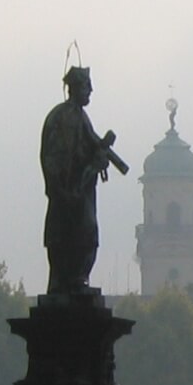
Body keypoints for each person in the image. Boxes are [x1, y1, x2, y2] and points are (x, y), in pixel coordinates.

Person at [39, 65, 118, 296]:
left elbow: (86, 149)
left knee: (86, 233)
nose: (90, 91)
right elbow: (55, 155)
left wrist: (97, 161)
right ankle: (64, 281)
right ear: (75, 88)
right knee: (65, 235)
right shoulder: (60, 117)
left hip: (80, 190)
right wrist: (61, 187)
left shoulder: (82, 118)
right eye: (87, 86)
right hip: (66, 190)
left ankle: (78, 278)